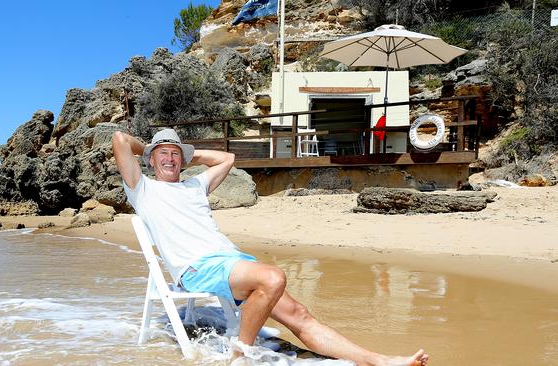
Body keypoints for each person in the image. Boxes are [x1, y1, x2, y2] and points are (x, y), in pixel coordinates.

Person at [112, 128, 429, 366]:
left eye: (175, 154)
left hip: (232, 261)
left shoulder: (195, 185)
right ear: (150, 160)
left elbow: (227, 158)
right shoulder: (143, 189)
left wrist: (185, 152)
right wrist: (150, 149)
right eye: (162, 154)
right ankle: (239, 355)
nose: (170, 158)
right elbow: (120, 139)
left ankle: (379, 361)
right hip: (198, 267)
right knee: (273, 278)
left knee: (299, 314)